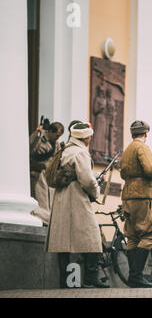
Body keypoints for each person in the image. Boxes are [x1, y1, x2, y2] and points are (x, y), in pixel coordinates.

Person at [45, 122, 109, 288]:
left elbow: (74, 171)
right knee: (93, 235)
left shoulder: (65, 149)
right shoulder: (80, 152)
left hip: (62, 198)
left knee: (63, 241)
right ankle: (90, 277)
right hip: (76, 198)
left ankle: (65, 281)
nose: (90, 139)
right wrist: (96, 193)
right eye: (89, 136)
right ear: (85, 137)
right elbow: (86, 180)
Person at [120, 120, 152, 288]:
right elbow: (151, 169)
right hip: (142, 195)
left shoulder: (128, 149)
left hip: (128, 194)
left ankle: (133, 276)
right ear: (145, 134)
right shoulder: (142, 147)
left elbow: (122, 173)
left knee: (133, 236)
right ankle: (136, 276)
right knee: (149, 233)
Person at [29, 122, 64, 225]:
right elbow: (31, 149)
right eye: (57, 135)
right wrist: (37, 133)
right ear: (50, 131)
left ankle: (48, 221)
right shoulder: (40, 138)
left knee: (50, 202)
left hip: (49, 176)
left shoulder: (56, 144)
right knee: (41, 200)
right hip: (38, 175)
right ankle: (42, 221)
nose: (57, 138)